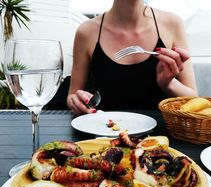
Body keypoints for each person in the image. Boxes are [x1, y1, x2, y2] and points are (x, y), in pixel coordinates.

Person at [67, 0, 198, 116]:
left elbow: (194, 100)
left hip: (160, 138)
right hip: (103, 136)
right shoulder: (86, 31)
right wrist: (78, 102)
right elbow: (72, 95)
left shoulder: (172, 23)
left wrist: (168, 84)